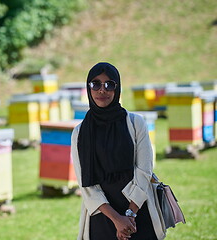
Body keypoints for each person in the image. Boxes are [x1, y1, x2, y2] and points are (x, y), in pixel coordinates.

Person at [71, 62, 166, 240]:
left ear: (117, 88)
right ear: (88, 88)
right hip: (102, 215)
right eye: (95, 84)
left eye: (109, 84)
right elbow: (87, 185)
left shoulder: (136, 123)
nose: (102, 90)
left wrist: (130, 215)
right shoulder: (80, 132)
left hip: (139, 211)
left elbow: (144, 170)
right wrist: (117, 219)